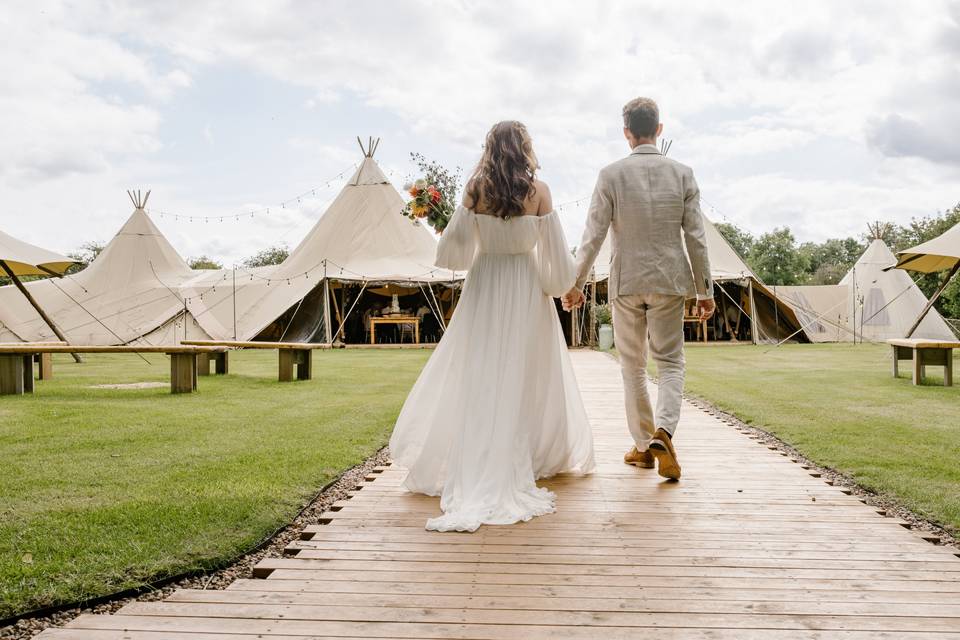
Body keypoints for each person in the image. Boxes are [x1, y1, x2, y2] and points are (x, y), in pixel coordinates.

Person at [389, 121, 595, 532]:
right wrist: (566, 288)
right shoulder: (539, 192)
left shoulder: (475, 187)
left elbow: (455, 252)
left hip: (484, 285)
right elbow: (554, 253)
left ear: (490, 148)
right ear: (524, 148)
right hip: (524, 285)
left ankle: (482, 455)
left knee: (480, 371)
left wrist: (454, 226)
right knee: (524, 371)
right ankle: (518, 456)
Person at [563, 97, 714, 481]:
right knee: (670, 362)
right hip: (669, 280)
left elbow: (592, 234)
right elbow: (696, 236)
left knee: (632, 368)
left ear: (627, 132)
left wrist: (575, 283)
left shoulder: (610, 175)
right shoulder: (682, 174)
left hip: (627, 282)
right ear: (659, 129)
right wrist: (705, 290)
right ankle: (663, 432)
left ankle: (646, 447)